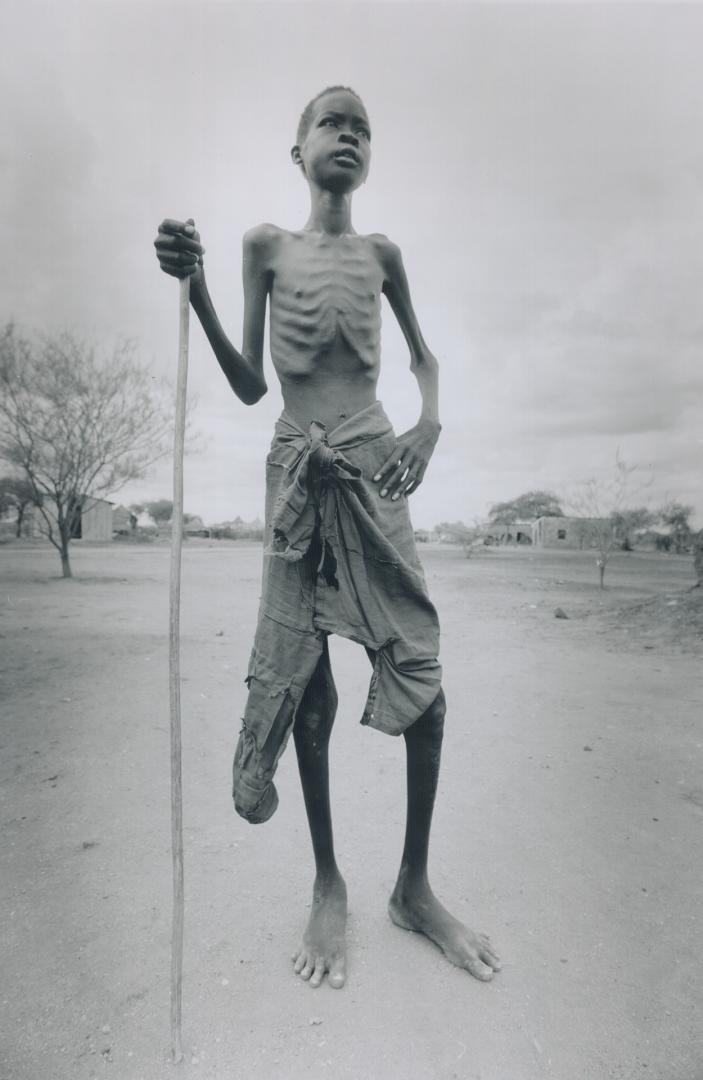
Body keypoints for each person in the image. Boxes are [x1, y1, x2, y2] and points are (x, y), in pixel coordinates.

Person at [154, 86, 501, 990]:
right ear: (297, 147)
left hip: (374, 462)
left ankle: (414, 888)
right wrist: (190, 289)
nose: (350, 134)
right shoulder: (264, 245)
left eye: (364, 128)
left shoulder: (384, 255)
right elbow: (245, 383)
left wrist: (429, 424)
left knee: (422, 673)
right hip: (295, 468)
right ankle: (328, 882)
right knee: (306, 684)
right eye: (332, 122)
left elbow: (425, 357)